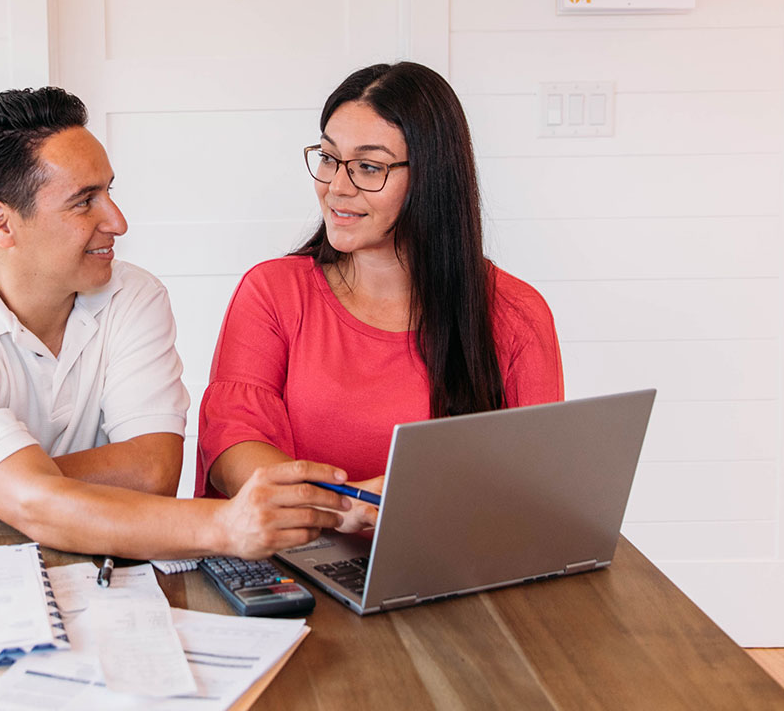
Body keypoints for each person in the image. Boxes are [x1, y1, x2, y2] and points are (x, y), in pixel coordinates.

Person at [0, 87, 354, 559]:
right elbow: (36, 505)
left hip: (111, 570)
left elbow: (153, 472)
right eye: (84, 201)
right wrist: (227, 526)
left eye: (109, 191)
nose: (118, 221)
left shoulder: (134, 295)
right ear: (1, 224)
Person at [196, 62, 566, 532]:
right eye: (329, 158)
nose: (337, 187)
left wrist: (413, 505)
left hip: (453, 567)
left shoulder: (516, 314)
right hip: (301, 559)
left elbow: (536, 486)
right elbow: (233, 441)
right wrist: (339, 508)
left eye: (368, 167)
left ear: (432, 179)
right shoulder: (272, 292)